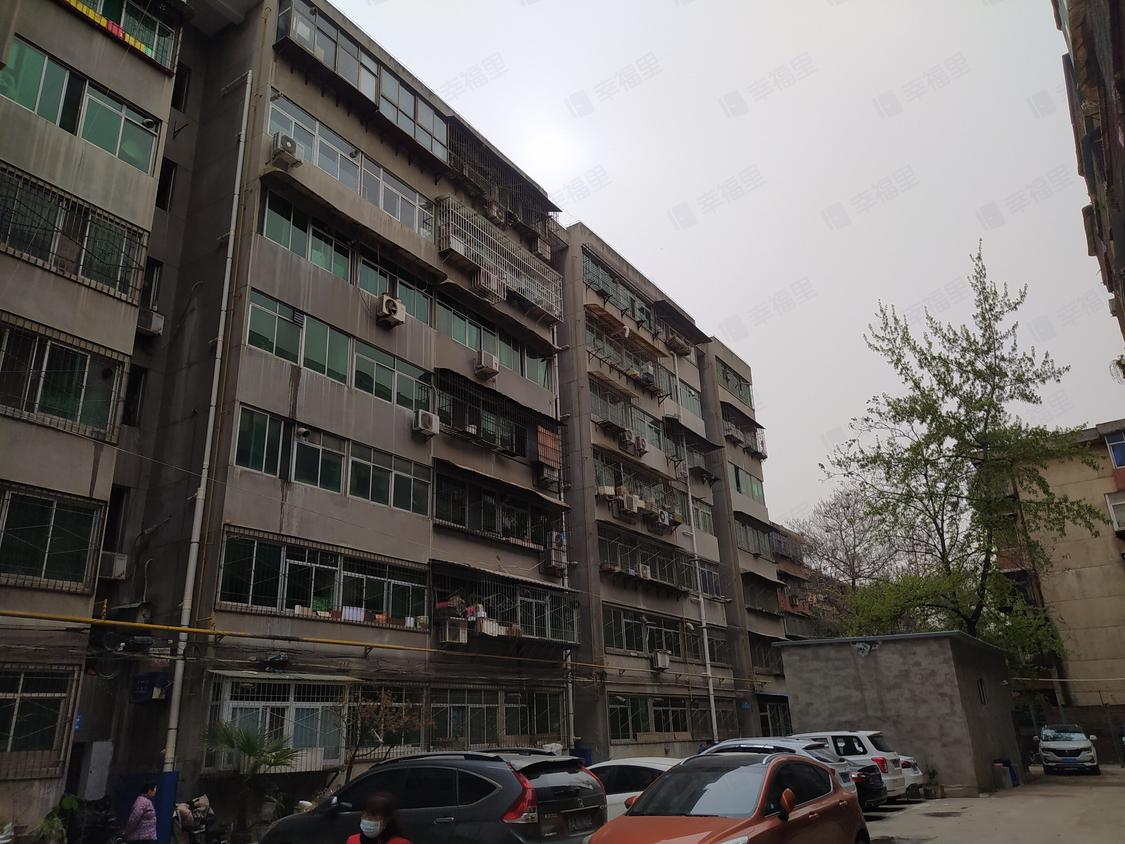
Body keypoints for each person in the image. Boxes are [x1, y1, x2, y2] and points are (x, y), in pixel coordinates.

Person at [345, 794, 410, 844]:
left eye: (373, 815)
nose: (367, 819)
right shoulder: (352, 840)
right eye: (365, 814)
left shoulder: (401, 843)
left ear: (386, 821)